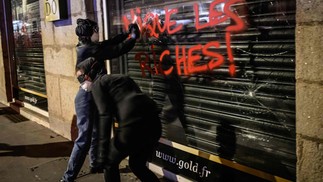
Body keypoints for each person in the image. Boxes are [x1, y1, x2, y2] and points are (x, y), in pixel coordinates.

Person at [60, 18, 140, 182]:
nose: (98, 32)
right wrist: (132, 37)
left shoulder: (88, 46)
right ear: (90, 34)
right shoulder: (91, 49)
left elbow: (109, 42)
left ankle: (95, 163)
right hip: (86, 97)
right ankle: (67, 179)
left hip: (94, 94)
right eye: (96, 30)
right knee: (83, 140)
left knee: (96, 131)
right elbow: (117, 49)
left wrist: (126, 33)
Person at [76, 57, 162, 182]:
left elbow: (105, 116)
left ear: (91, 72)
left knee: (108, 162)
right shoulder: (121, 78)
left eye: (81, 78)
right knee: (137, 165)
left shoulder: (98, 84)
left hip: (133, 126)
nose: (81, 82)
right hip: (154, 124)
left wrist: (102, 152)